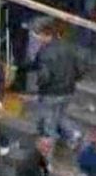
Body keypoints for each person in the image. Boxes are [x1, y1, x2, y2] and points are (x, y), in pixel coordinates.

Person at [33, 20, 85, 150]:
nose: (36, 38)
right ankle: (74, 133)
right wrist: (73, 80)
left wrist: (39, 88)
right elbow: (80, 68)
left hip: (51, 93)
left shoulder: (44, 53)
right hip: (68, 90)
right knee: (60, 115)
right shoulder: (68, 46)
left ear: (45, 34)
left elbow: (44, 77)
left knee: (49, 123)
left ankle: (47, 155)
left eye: (37, 35)